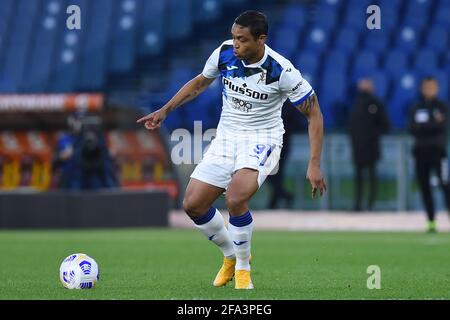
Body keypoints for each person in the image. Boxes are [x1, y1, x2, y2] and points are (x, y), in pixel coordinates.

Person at [137, 11, 326, 289]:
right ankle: (230, 255)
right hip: (227, 137)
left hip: (263, 139)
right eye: (233, 37)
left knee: (236, 198)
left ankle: (243, 268)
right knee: (193, 204)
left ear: (261, 39)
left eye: (242, 39)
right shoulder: (225, 53)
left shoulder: (281, 71)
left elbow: (315, 115)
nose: (235, 44)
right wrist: (165, 109)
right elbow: (200, 82)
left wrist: (314, 164)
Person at [408, 76, 450, 233]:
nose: (429, 89)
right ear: (422, 88)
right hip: (420, 153)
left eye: (432, 87)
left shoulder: (443, 107)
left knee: (445, 186)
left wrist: (423, 126)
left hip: (439, 153)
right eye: (426, 86)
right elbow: (411, 128)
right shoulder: (416, 107)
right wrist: (432, 124)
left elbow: (442, 128)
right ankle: (431, 221)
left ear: (437, 88)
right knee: (425, 187)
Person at [349, 78, 389, 211]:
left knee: (372, 175)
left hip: (371, 146)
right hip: (358, 146)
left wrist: (372, 134)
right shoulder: (354, 103)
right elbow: (350, 126)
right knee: (359, 176)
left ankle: (371, 204)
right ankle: (357, 204)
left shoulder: (376, 104)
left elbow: (385, 125)